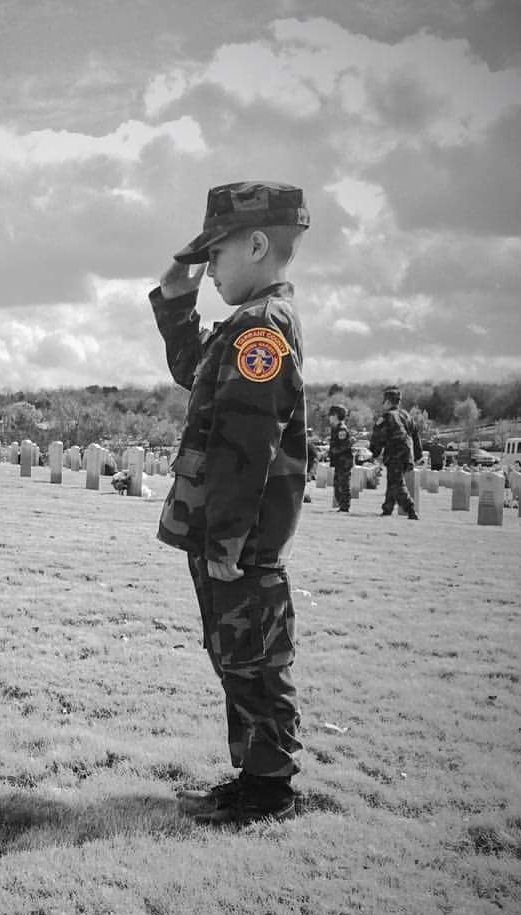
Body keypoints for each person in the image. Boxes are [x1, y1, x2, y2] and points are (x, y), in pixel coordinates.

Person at [151, 180, 310, 826]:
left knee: (255, 658)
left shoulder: (262, 331)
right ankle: (253, 776)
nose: (209, 267)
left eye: (215, 254)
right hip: (223, 534)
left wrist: (224, 543)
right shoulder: (243, 325)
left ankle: (271, 789)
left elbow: (247, 449)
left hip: (238, 538)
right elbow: (193, 368)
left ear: (257, 243)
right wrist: (175, 292)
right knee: (233, 655)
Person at [368, 386, 421, 518]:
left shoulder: (387, 417)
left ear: (387, 402)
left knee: (397, 483)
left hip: (395, 454)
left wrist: (374, 453)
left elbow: (378, 437)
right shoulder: (406, 415)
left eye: (384, 401)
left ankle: (410, 509)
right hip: (407, 454)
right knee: (393, 481)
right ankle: (387, 508)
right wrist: (418, 455)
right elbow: (416, 435)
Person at [328, 404, 354, 511]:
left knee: (343, 484)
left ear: (335, 416)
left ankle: (345, 506)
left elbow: (344, 446)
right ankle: (342, 505)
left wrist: (332, 451)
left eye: (330, 415)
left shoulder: (341, 429)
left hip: (344, 462)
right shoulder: (336, 429)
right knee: (338, 484)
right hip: (339, 461)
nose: (329, 418)